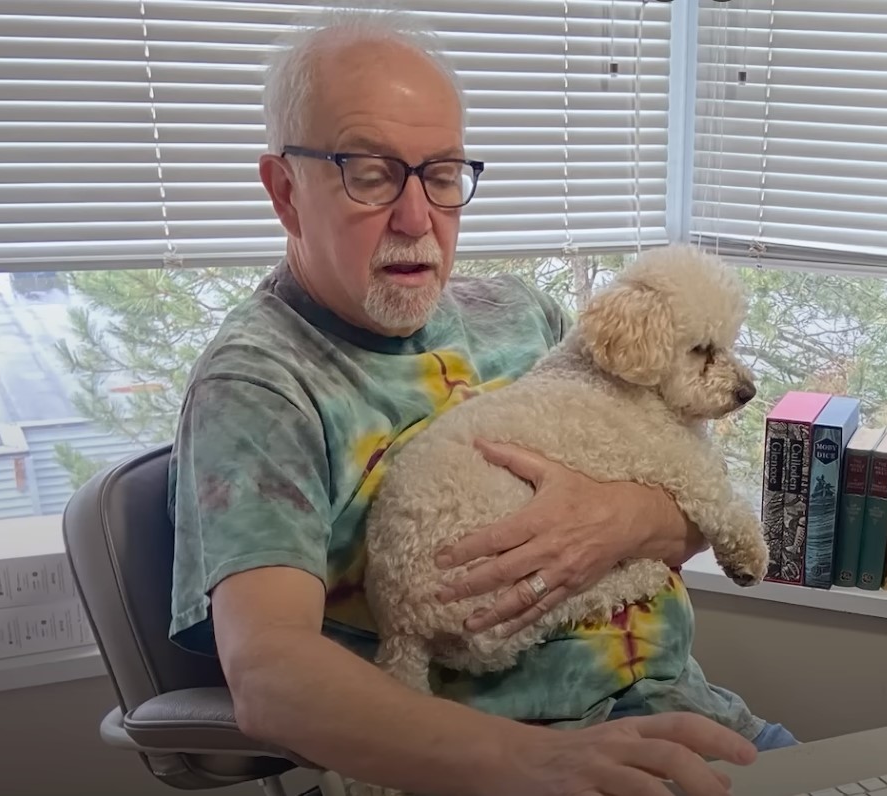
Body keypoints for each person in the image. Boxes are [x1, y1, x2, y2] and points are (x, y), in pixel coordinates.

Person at [166, 5, 795, 795]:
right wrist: (532, 761)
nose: (415, 217)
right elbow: (269, 672)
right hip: (496, 769)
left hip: (688, 721)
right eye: (369, 173)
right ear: (285, 191)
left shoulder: (525, 315)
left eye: (440, 173)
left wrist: (617, 519)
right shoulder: (260, 388)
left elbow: (689, 517)